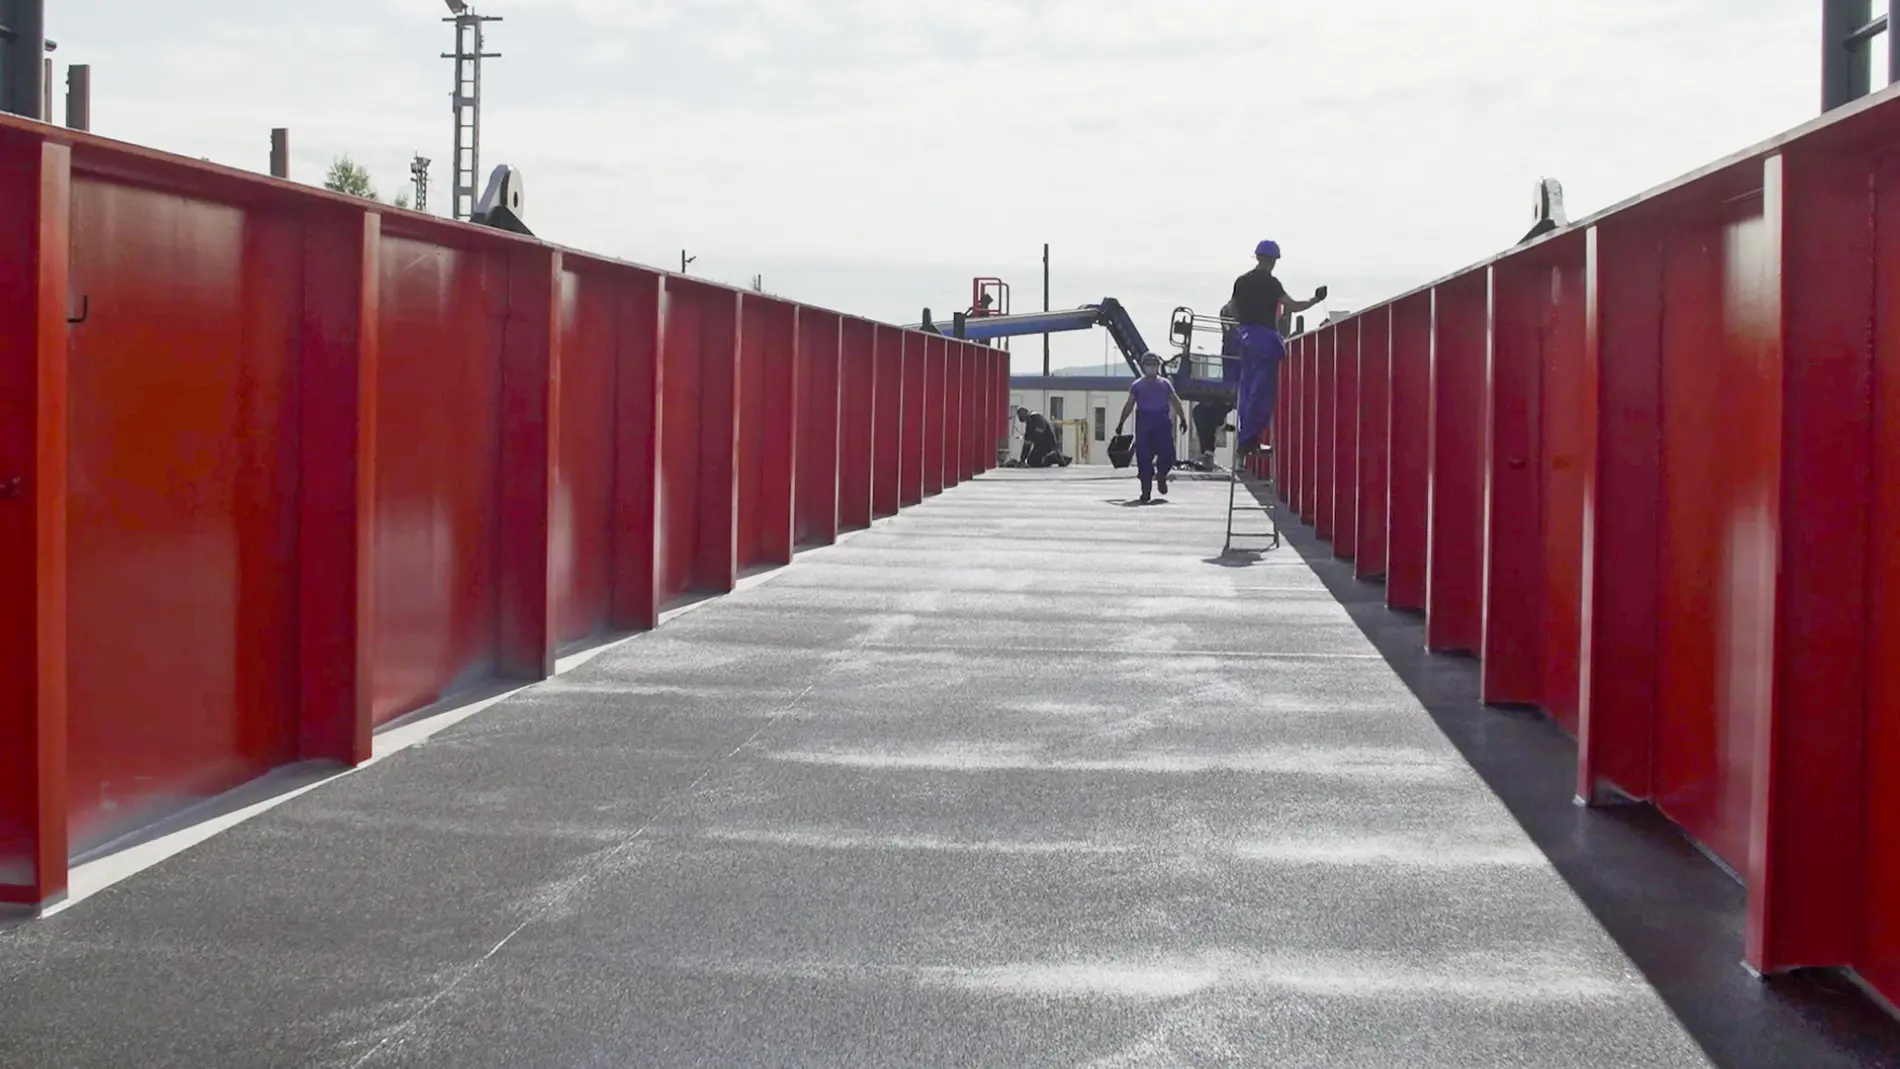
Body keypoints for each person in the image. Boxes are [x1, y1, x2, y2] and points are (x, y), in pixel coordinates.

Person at [1230, 239, 1325, 456]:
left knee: (1247, 389)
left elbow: (1233, 308)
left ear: (1257, 257)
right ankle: (1248, 440)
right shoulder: (1271, 283)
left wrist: (1244, 324)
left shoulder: (1241, 281)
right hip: (1264, 339)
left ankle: (1246, 438)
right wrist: (1315, 300)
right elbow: (1292, 306)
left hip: (1245, 338)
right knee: (1262, 392)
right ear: (1273, 261)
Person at [1115, 352, 1189, 503]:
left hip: (1161, 422)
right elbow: (1129, 405)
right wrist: (1121, 422)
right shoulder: (1137, 386)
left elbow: (1176, 401)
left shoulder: (1165, 384)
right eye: (1148, 365)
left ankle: (1161, 474)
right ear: (1143, 367)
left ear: (1158, 367)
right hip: (1144, 423)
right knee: (1144, 458)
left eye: (1154, 365)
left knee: (1168, 454)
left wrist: (1183, 419)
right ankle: (1145, 491)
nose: (1151, 368)